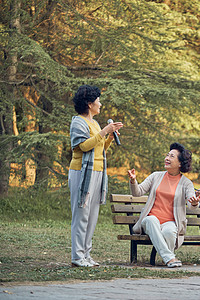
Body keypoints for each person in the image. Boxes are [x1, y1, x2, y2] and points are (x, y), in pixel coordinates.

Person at [69, 85, 123, 267]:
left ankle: (86, 255)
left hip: (97, 172)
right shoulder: (78, 122)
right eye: (98, 100)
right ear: (89, 103)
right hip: (81, 172)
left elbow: (99, 150)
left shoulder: (96, 123)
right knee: (81, 213)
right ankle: (77, 256)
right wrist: (104, 132)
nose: (100, 103)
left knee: (92, 216)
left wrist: (108, 137)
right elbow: (83, 146)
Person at [127, 142, 199, 268]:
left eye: (172, 156)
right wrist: (133, 180)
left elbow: (191, 202)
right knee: (151, 220)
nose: (167, 158)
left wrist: (194, 202)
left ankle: (167, 259)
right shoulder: (156, 176)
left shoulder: (186, 183)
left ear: (180, 163)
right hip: (150, 220)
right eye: (167, 155)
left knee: (170, 232)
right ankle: (169, 258)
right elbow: (137, 192)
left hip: (170, 222)